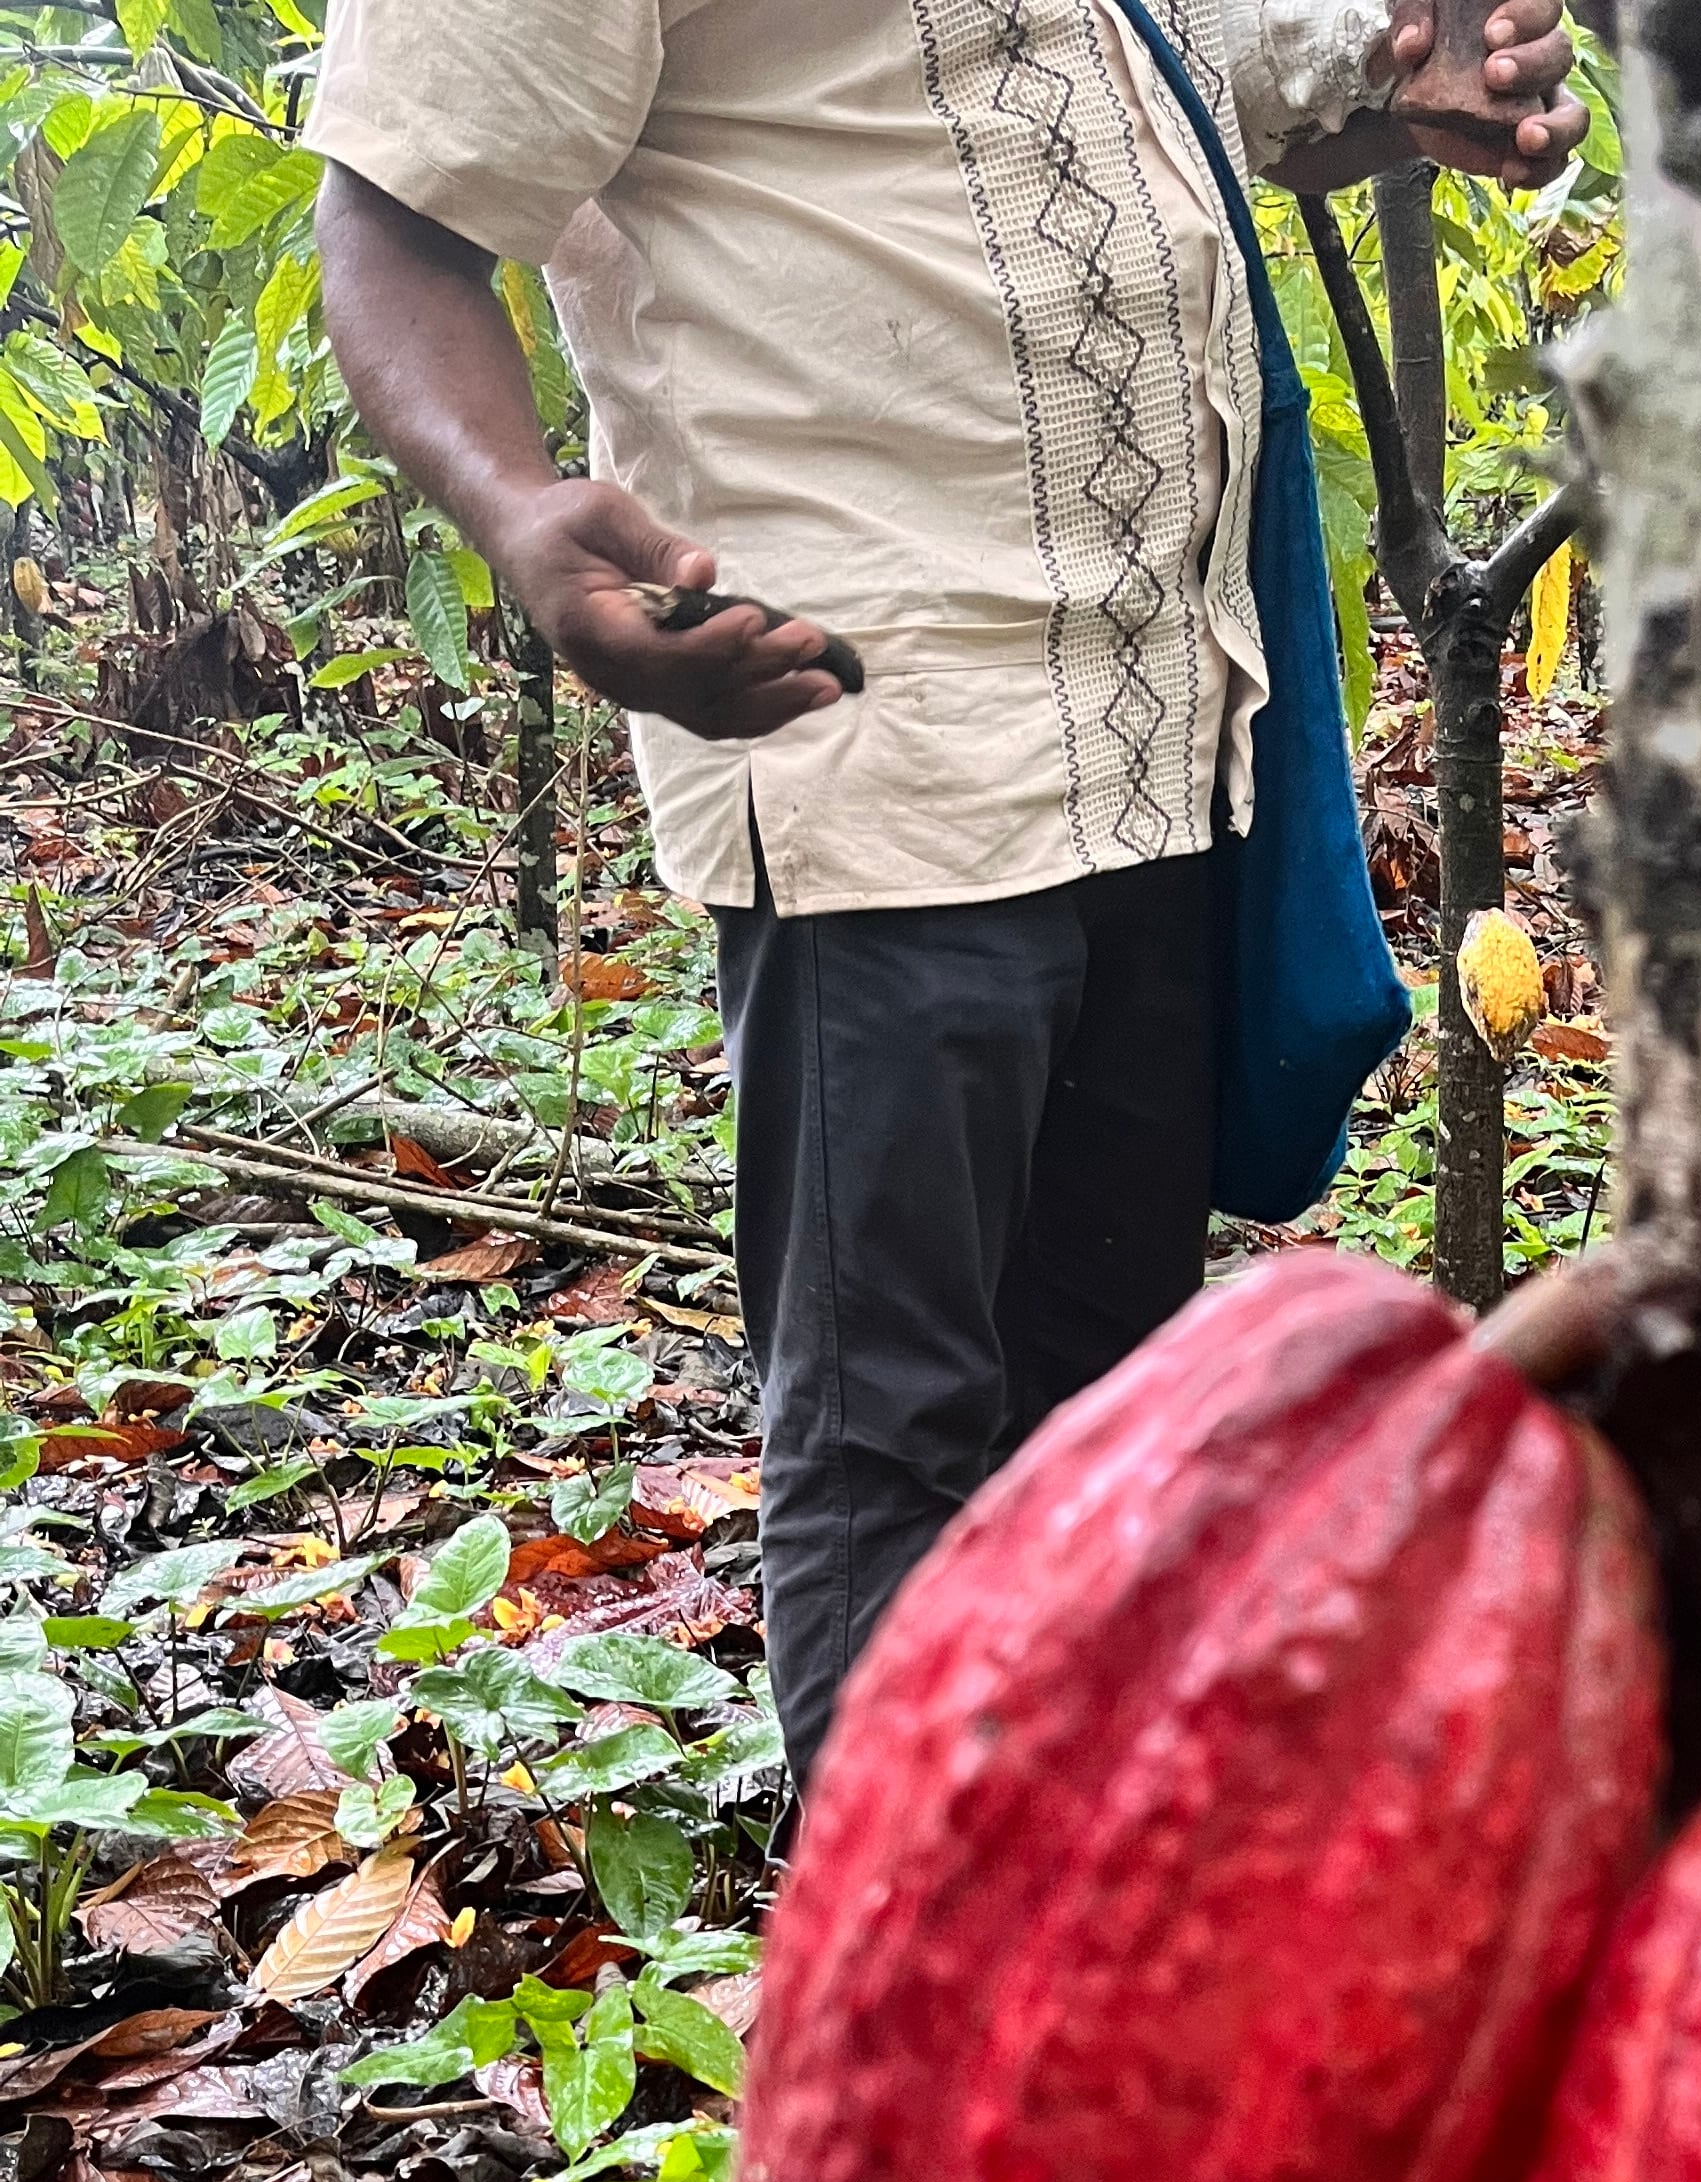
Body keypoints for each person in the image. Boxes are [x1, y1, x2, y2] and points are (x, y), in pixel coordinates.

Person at [307, 0, 1583, 1782]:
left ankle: (1055, 1941)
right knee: (893, 1435)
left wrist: (1400, 93)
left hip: (1154, 738)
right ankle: (888, 2004)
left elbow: (1175, 83)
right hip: (874, 740)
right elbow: (394, 208)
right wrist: (519, 511)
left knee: (1098, 1407)